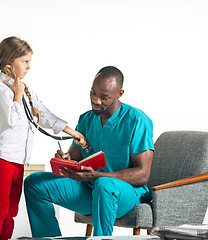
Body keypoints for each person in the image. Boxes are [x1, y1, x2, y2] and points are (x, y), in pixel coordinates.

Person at [24, 66, 154, 237]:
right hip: (90, 189)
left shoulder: (137, 120)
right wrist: (65, 160)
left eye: (104, 97)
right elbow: (75, 159)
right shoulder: (86, 119)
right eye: (93, 93)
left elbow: (142, 174)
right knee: (34, 183)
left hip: (127, 194)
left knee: (104, 185)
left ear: (119, 94)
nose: (96, 100)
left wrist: (99, 176)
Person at [0, 36, 87, 240]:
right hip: (1, 157)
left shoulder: (23, 89)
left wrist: (72, 132)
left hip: (18, 160)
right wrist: (16, 95)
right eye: (25, 61)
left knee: (11, 212)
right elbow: (11, 120)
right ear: (9, 64)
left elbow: (45, 114)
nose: (29, 66)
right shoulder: (0, 90)